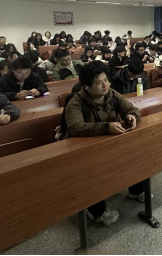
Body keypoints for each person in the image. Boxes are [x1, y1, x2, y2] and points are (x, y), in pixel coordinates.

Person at [64, 62, 145, 226]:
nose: (105, 85)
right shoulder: (75, 102)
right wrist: (106, 127)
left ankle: (136, 190)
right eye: (99, 83)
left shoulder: (112, 94)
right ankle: (96, 211)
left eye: (106, 80)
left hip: (109, 142)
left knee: (136, 153)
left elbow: (131, 108)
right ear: (87, 87)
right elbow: (75, 127)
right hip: (84, 149)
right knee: (89, 171)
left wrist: (131, 116)